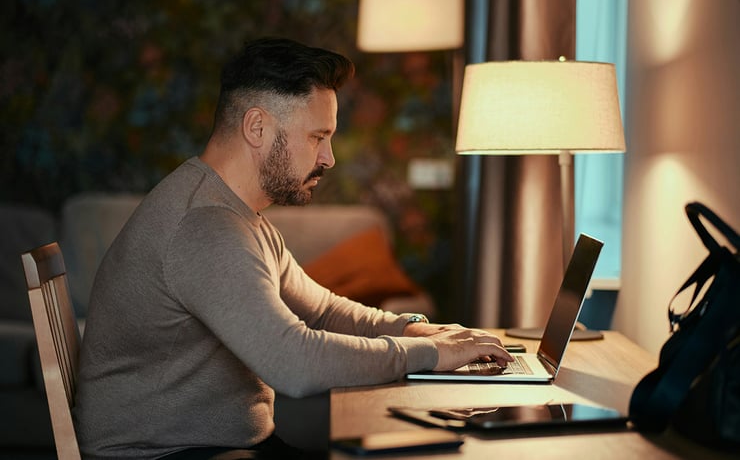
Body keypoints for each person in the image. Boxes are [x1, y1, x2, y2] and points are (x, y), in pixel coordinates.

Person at [74, 37, 512, 459]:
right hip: (168, 455)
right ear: (257, 127)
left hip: (223, 446)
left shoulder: (240, 214)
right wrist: (431, 355)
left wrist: (412, 329)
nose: (329, 158)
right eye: (317, 136)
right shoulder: (206, 226)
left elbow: (321, 310)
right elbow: (294, 363)